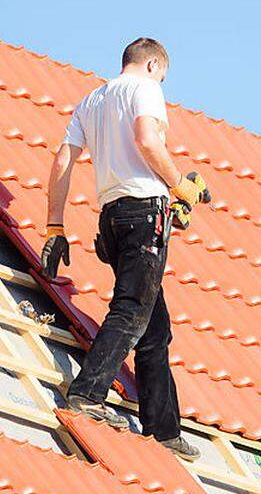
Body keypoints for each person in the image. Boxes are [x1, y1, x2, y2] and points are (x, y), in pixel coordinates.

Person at [41, 38, 207, 461]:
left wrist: (55, 225)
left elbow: (63, 162)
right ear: (153, 64)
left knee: (154, 325)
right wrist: (179, 185)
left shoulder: (92, 101)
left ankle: (163, 426)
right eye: (163, 74)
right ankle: (88, 392)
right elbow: (148, 141)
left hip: (111, 217)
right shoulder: (145, 89)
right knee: (132, 309)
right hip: (143, 212)